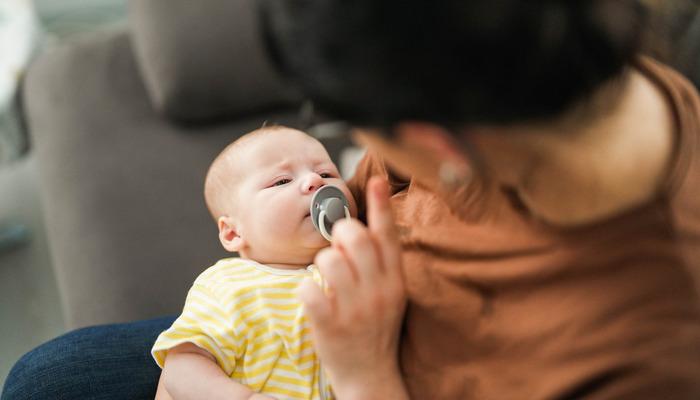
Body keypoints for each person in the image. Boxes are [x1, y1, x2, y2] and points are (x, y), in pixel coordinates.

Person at [3, 1, 700, 399]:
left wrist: (364, 373)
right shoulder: (551, 58)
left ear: (445, 146)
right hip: (305, 332)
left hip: (364, 375)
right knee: (49, 379)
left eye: (348, 129)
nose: (326, 176)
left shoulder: (643, 359)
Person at [153, 125, 355, 400]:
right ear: (234, 232)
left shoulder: (356, 265)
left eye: (327, 173)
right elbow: (182, 367)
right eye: (282, 181)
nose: (314, 181)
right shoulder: (226, 284)